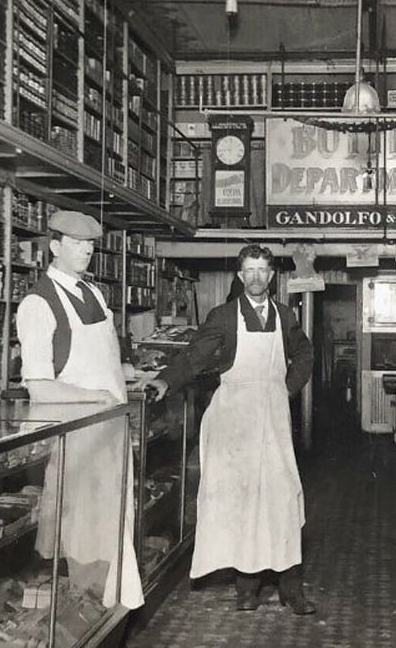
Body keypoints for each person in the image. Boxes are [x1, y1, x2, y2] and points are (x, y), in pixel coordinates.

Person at [151, 244, 316, 615]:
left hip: (272, 417)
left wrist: (286, 388)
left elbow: (305, 355)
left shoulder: (286, 315)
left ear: (272, 276)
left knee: (282, 498)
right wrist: (166, 381)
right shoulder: (224, 316)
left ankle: (292, 588)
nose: (256, 278)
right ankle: (247, 589)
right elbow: (194, 357)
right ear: (241, 276)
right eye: (249, 271)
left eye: (263, 271)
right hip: (235, 420)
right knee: (242, 502)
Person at [15, 210, 144, 609]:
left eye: (90, 243)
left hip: (108, 433)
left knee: (113, 525)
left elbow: (95, 360)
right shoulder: (38, 303)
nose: (88, 249)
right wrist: (99, 398)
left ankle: (106, 610)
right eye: (77, 242)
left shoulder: (93, 293)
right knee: (82, 531)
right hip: (76, 436)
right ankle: (88, 614)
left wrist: (124, 374)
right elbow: (39, 389)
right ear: (55, 247)